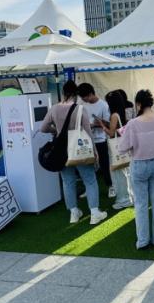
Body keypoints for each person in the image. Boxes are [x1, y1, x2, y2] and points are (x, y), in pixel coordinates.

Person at [40, 80, 107, 225]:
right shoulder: (80, 109)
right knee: (90, 180)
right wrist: (95, 151)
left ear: (63, 93)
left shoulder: (54, 109)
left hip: (61, 151)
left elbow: (43, 128)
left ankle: (74, 213)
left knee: (68, 182)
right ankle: (94, 213)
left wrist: (56, 131)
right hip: (79, 149)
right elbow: (88, 132)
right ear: (76, 94)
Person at [118, 89, 154, 249]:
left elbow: (122, 147)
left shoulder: (133, 123)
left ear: (138, 104)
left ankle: (143, 240)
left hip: (139, 164)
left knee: (141, 204)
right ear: (151, 102)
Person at [77, 83, 113, 196]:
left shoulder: (103, 105)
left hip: (100, 139)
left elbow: (108, 123)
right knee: (87, 165)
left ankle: (110, 186)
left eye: (84, 97)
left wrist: (95, 125)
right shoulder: (82, 105)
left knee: (104, 164)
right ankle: (89, 188)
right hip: (86, 140)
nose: (83, 99)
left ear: (90, 94)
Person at [103, 90, 134, 209]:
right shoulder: (123, 112)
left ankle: (123, 199)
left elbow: (111, 133)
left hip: (116, 147)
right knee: (126, 173)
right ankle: (129, 196)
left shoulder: (114, 115)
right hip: (124, 146)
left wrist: (103, 127)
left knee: (118, 174)